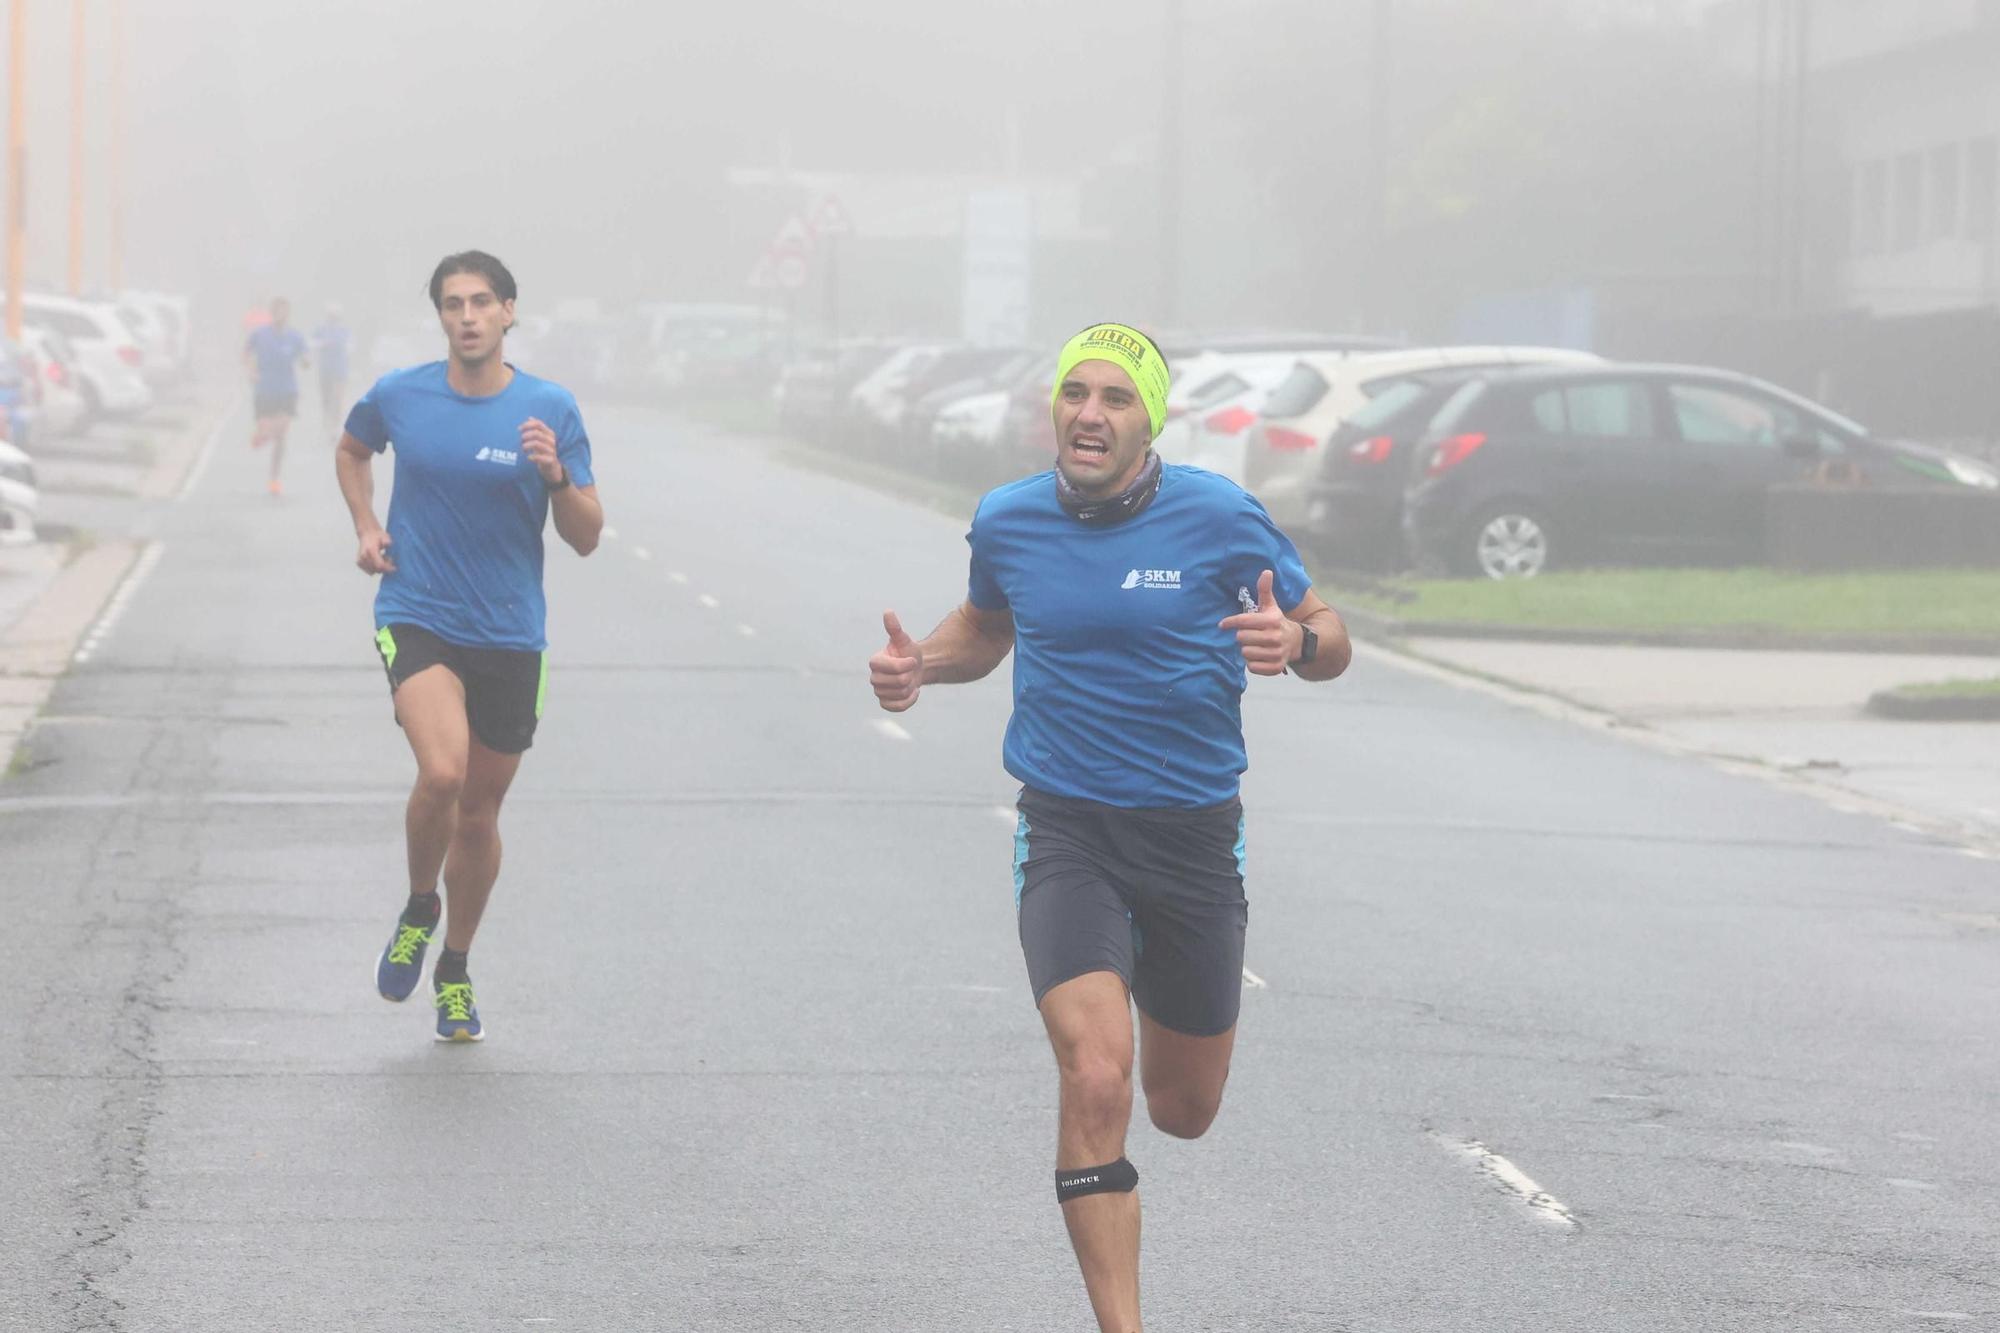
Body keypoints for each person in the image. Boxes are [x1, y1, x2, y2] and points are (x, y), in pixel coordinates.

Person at [868, 322, 1351, 1331]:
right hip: (1067, 832)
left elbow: (1331, 636)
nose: (1090, 413)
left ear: (1148, 421)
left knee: (1181, 1108)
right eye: (1075, 393)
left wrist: (1293, 638)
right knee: (1094, 1071)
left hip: (1191, 837)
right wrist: (923, 664)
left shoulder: (1220, 516)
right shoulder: (1007, 520)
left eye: (1115, 398)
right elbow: (987, 628)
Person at [333, 250, 602, 1042]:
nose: (468, 316)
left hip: (512, 634)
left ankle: (453, 965)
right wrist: (366, 524)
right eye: (453, 304)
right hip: (417, 611)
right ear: (441, 317)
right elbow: (352, 449)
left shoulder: (550, 407)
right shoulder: (401, 394)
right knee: (442, 771)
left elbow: (586, 536)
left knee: (479, 815)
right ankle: (421, 905)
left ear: (510, 312)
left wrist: (556, 476)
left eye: (483, 302)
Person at [243, 297, 309, 495]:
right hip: (264, 389)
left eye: (285, 311)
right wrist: (251, 371)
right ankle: (262, 435)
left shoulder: (294, 337)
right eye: (277, 311)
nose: (281, 315)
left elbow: (305, 357)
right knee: (267, 429)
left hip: (287, 390)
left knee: (282, 434)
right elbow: (246, 352)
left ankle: (274, 478)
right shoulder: (260, 334)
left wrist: (306, 361)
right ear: (272, 313)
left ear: (288, 314)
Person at [312, 304, 352, 429]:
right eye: (331, 315)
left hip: (340, 368)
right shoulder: (321, 329)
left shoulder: (344, 330)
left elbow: (351, 346)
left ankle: (336, 423)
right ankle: (327, 420)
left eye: (335, 315)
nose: (333, 317)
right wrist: (323, 344)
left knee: (339, 396)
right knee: (327, 397)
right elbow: (312, 343)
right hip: (325, 368)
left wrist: (346, 349)